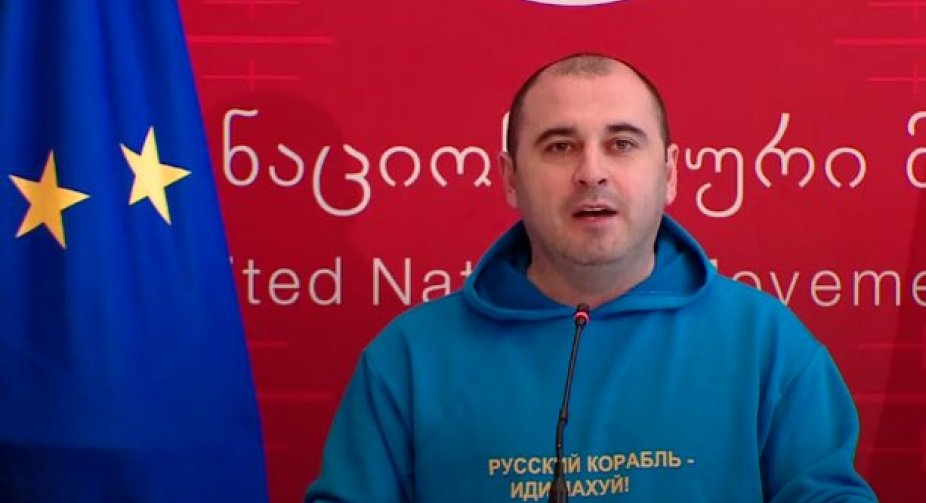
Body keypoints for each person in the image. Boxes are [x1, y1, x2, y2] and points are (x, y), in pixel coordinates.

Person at [305, 53, 877, 502]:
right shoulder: (408, 358)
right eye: (560, 146)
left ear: (669, 175)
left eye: (622, 144)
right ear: (510, 179)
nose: (591, 172)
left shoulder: (768, 344)